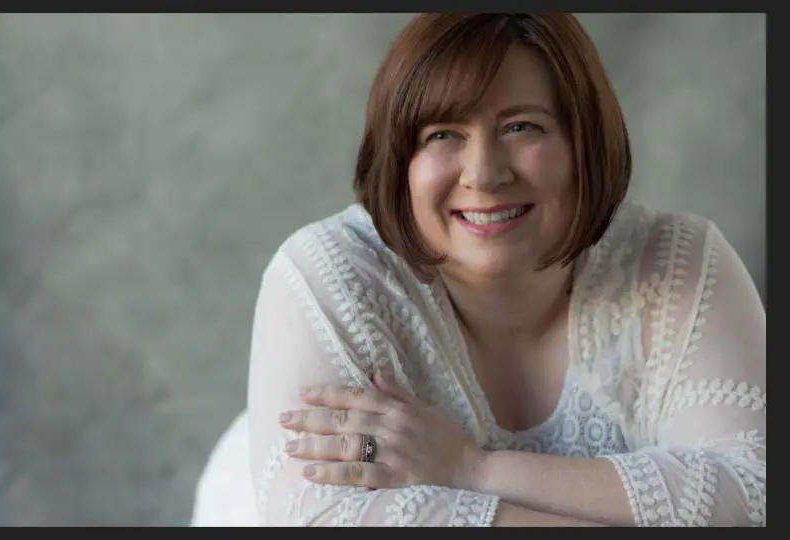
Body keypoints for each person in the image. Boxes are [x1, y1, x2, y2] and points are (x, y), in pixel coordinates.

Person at [194, 13, 766, 527]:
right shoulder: (328, 276)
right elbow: (328, 521)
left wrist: (474, 468)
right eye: (443, 134)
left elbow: (757, 492)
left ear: (585, 143)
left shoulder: (678, 260)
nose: (484, 173)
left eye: (523, 127)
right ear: (399, 163)